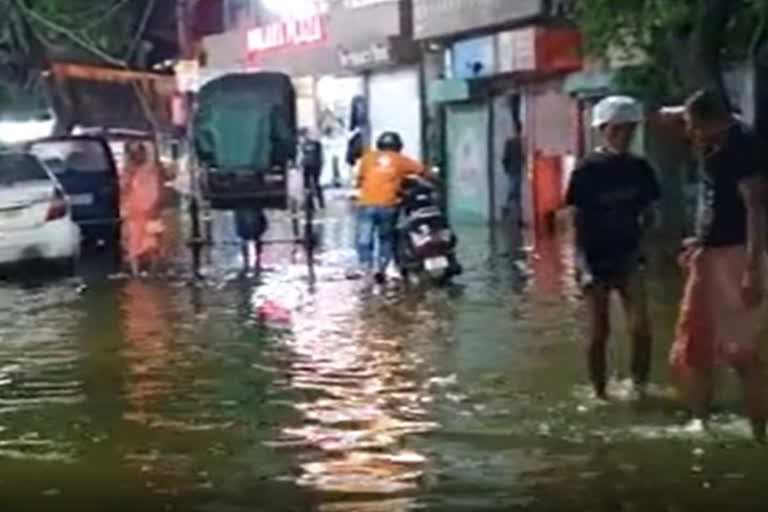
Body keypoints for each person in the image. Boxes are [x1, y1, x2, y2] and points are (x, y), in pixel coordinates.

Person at [669, 89, 767, 441]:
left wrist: (752, 270)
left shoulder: (742, 146)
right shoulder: (717, 142)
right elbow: (718, 201)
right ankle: (702, 423)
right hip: (711, 252)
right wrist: (700, 239)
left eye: (693, 125)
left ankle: (759, 434)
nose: (690, 132)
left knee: (742, 353)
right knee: (695, 343)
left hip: (735, 255)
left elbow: (755, 207)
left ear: (712, 122)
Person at [565, 96, 661, 400]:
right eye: (617, 130)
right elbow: (575, 220)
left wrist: (647, 249)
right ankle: (599, 393)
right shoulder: (587, 170)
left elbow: (650, 213)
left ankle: (639, 387)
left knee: (641, 327)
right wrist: (581, 265)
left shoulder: (639, 168)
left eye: (629, 130)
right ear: (603, 130)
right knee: (598, 331)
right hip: (595, 257)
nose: (623, 136)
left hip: (629, 255)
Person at [354, 131, 426, 284]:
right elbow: (422, 170)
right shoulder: (400, 160)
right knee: (386, 238)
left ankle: (366, 268)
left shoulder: (368, 158)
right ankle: (381, 268)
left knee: (364, 238)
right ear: (398, 146)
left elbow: (359, 179)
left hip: (366, 204)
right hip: (388, 205)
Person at [121, 141, 165, 277]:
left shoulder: (148, 170)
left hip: (145, 213)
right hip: (138, 213)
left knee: (149, 244)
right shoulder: (131, 172)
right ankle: (143, 272)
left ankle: (144, 272)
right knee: (141, 244)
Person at [299, 127, 325, 210]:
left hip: (312, 166)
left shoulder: (314, 144)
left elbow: (306, 156)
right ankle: (312, 203)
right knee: (310, 184)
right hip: (311, 166)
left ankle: (315, 203)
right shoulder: (311, 144)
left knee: (311, 184)